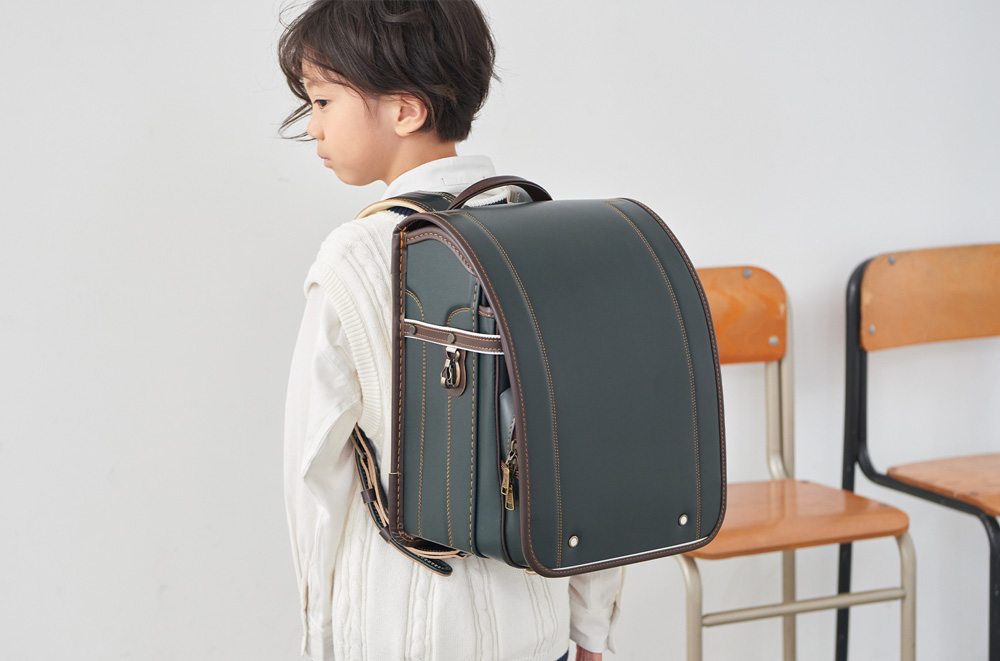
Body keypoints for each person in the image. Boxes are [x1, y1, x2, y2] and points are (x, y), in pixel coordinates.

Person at [278, 2, 625, 659]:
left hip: (399, 635)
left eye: (322, 101)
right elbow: (589, 447)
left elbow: (313, 472)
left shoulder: (355, 258)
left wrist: (319, 639)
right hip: (538, 628)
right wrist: (591, 623)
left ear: (405, 110)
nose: (313, 127)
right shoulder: (545, 235)